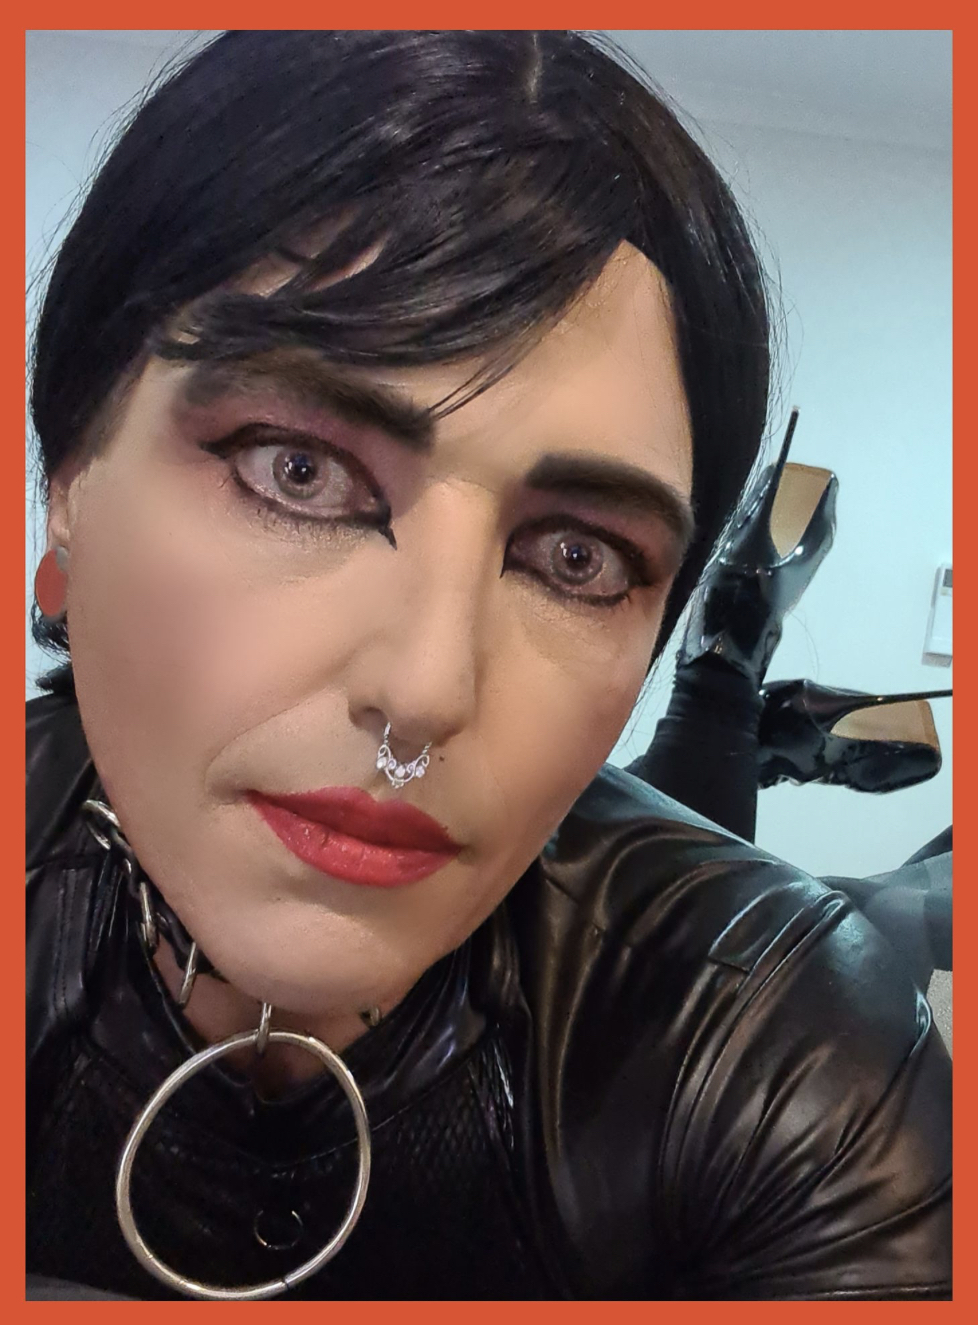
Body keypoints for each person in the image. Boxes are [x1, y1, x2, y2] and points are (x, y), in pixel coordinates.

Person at [26, 30, 951, 1301]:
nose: (425, 693)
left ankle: (729, 676)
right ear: (69, 476)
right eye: (299, 470)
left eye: (576, 557)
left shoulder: (785, 1049)